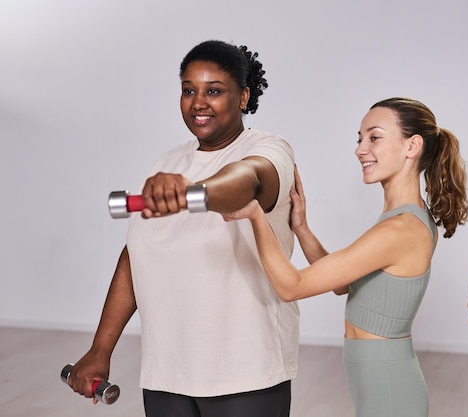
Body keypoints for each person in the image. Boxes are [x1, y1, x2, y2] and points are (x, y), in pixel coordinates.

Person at [67, 40, 299, 417]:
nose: (198, 102)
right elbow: (136, 256)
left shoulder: (270, 150)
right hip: (166, 373)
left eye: (214, 91)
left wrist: (193, 193)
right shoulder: (169, 161)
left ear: (243, 97)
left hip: (245, 373)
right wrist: (100, 349)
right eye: (189, 90)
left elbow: (245, 181)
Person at [223, 97, 468, 417]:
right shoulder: (403, 219)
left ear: (412, 146)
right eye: (360, 138)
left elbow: (291, 287)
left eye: (374, 137)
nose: (360, 149)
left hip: (390, 386)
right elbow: (344, 284)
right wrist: (302, 229)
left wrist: (256, 216)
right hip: (381, 378)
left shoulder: (400, 230)